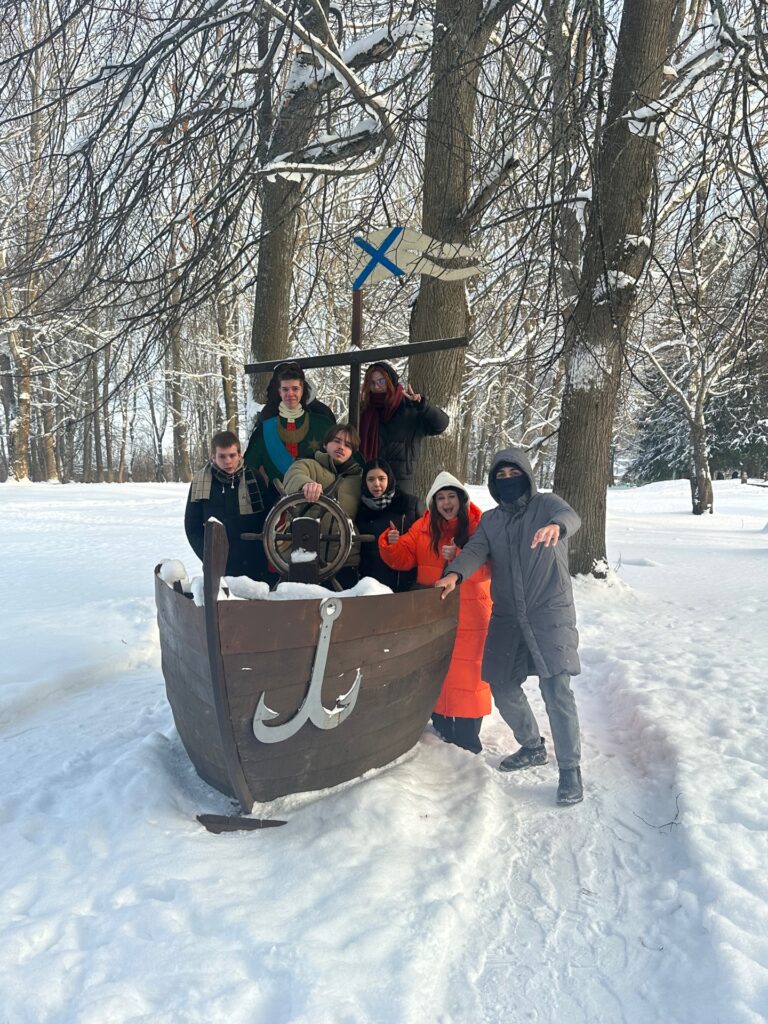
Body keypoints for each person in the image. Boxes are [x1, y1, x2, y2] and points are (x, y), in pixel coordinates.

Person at [435, 446, 584, 806]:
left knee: (556, 689)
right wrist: (454, 574)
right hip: (507, 615)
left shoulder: (547, 505)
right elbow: (475, 551)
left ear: (526, 475)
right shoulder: (491, 521)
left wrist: (556, 526)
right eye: (500, 475)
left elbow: (570, 516)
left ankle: (570, 770)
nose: (507, 480)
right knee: (500, 683)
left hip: (549, 611)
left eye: (513, 473)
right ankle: (532, 745)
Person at [379, 471, 492, 753]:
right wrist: (392, 544)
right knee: (439, 667)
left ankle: (467, 735)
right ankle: (441, 723)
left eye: (451, 496)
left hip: (470, 609)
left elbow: (491, 567)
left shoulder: (479, 526)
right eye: (440, 498)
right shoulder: (424, 526)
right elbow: (404, 558)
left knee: (468, 672)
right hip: (436, 610)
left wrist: (460, 560)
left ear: (462, 499)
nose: (446, 503)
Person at [282, 423, 363, 588]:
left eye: (348, 445)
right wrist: (306, 484)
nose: (341, 447)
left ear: (352, 451)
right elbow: (293, 476)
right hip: (304, 557)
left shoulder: (359, 479)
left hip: (346, 562)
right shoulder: (309, 464)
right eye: (337, 441)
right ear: (325, 444)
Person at [244, 362, 335, 503]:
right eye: (285, 389)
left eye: (295, 388)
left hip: (318, 503)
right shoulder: (264, 431)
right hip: (276, 506)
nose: (290, 394)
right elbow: (248, 470)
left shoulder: (323, 425)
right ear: (279, 392)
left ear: (302, 390)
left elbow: (346, 461)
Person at [185, 430, 269, 581]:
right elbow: (192, 525)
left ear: (240, 455)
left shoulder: (255, 478)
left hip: (255, 563)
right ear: (213, 457)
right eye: (222, 456)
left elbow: (267, 519)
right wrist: (208, 555)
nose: (228, 461)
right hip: (218, 565)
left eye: (232, 455)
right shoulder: (199, 482)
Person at [359, 362, 449, 494]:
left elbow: (441, 425)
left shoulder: (410, 407)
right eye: (372, 383)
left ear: (390, 381)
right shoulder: (364, 410)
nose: (377, 386)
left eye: (381, 381)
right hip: (370, 481)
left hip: (400, 482)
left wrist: (423, 406)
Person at [355, 458, 420, 592]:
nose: (376, 484)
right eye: (371, 479)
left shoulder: (409, 504)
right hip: (371, 584)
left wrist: (400, 541)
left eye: (381, 478)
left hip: (403, 583)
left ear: (389, 479)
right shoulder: (360, 508)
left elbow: (423, 537)